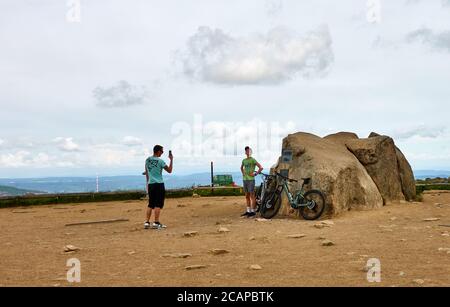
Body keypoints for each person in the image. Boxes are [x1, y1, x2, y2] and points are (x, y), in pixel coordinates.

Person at [144, 145, 173, 229]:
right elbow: (170, 170)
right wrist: (171, 159)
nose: (162, 153)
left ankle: (147, 222)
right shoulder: (161, 161)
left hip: (150, 184)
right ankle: (156, 223)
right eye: (162, 151)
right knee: (158, 204)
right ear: (158, 151)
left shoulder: (147, 160)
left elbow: (147, 173)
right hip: (159, 184)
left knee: (150, 204)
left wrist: (148, 184)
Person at [240, 146, 263, 218]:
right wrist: (243, 173)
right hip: (245, 180)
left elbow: (261, 167)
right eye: (246, 151)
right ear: (245, 152)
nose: (247, 152)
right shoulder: (244, 160)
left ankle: (253, 212)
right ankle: (248, 211)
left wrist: (255, 174)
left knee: (252, 196)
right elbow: (241, 167)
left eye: (248, 151)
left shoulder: (253, 160)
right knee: (246, 196)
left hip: (251, 180)